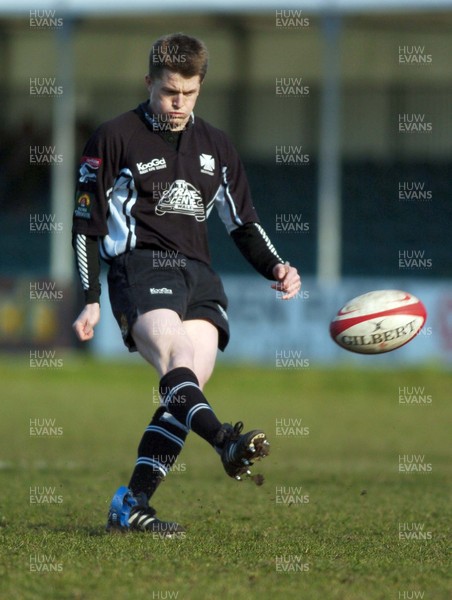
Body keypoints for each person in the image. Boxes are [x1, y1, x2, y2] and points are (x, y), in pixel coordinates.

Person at [72, 33, 301, 535]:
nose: (178, 104)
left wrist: (278, 266)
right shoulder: (113, 137)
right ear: (149, 81)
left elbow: (242, 222)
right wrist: (90, 299)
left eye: (189, 93)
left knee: (185, 390)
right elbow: (85, 224)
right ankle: (225, 442)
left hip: (200, 276)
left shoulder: (217, 145)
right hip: (141, 268)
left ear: (200, 87)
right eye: (169, 91)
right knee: (177, 368)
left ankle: (130, 506)